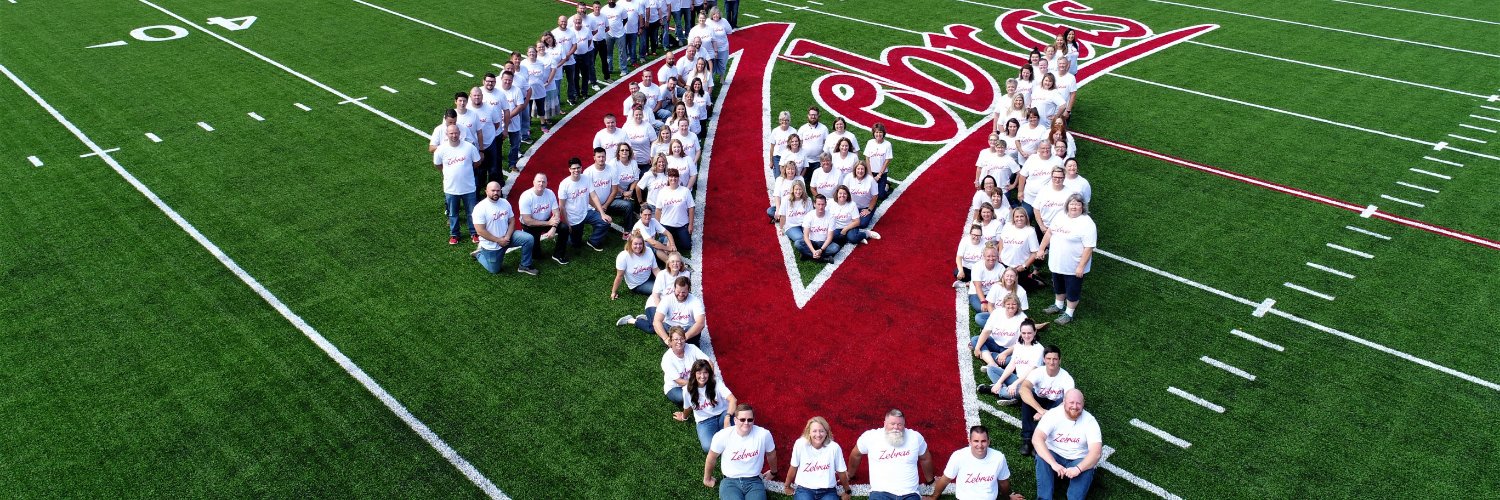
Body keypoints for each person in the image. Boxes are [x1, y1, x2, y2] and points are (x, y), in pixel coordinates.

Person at [1031, 390, 1102, 500]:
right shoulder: (1053, 414)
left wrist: (1078, 469)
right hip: (1054, 454)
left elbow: (1096, 453)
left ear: (1083, 404)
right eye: (1071, 402)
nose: (1075, 406)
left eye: (1078, 403)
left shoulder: (1090, 421)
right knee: (1042, 457)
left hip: (1077, 459)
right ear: (1064, 401)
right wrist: (1053, 463)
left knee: (1088, 466)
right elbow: (1037, 439)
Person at [848, 409, 932, 500]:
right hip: (880, 493)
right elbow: (855, 454)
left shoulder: (915, 437)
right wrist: (850, 475)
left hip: (910, 493)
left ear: (904, 425)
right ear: (885, 424)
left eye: (899, 424)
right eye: (892, 424)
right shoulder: (870, 437)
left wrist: (931, 480)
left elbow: (925, 458)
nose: (896, 427)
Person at [1037, 194, 1094, 325]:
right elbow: (1049, 232)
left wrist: (1081, 266)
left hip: (1074, 266)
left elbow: (1089, 247)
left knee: (1073, 289)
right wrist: (1041, 249)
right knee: (1058, 285)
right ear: (1067, 205)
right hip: (1057, 262)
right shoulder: (1060, 216)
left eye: (1077, 204)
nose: (1074, 206)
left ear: (1082, 207)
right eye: (1072, 203)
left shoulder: (1087, 223)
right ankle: (1058, 305)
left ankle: (1069, 313)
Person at [926, 426, 1023, 500]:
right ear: (970, 442)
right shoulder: (958, 456)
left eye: (983, 441)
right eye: (976, 441)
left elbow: (1003, 482)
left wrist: (1008, 497)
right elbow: (945, 479)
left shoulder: (998, 458)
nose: (980, 445)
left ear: (989, 442)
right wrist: (934, 497)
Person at [705, 404, 778, 499]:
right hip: (730, 481)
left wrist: (773, 472)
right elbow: (711, 458)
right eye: (742, 419)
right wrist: (707, 478)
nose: (746, 423)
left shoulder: (764, 435)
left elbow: (771, 454)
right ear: (735, 420)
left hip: (754, 481)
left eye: (750, 420)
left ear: (753, 420)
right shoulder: (722, 436)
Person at [471, 182, 540, 275]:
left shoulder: (505, 202)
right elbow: (480, 231)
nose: (496, 193)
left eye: (498, 190)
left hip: (508, 237)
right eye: (493, 190)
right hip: (492, 244)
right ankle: (479, 254)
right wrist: (498, 240)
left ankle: (525, 265)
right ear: (486, 191)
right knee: (494, 270)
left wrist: (507, 236)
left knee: (528, 239)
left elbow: (512, 220)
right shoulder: (480, 208)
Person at [1017, 345, 1074, 457]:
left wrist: (1048, 414)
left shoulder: (1066, 378)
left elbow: (1069, 401)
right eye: (1048, 359)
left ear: (1060, 360)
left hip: (1055, 404)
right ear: (1044, 359)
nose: (1051, 362)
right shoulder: (1038, 372)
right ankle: (1027, 439)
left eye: (1055, 359)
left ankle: (1043, 442)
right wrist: (1040, 410)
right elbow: (1023, 389)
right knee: (1026, 397)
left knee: (1065, 404)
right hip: (1040, 401)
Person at [558, 157, 614, 262]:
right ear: (569, 169)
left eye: (578, 168)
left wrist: (602, 213)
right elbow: (562, 207)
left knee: (605, 222)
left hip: (587, 212)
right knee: (575, 244)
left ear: (581, 168)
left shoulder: (586, 178)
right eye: (573, 168)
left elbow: (594, 196)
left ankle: (593, 241)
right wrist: (567, 224)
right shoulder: (564, 185)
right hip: (574, 217)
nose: (576, 170)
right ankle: (565, 235)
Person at [433, 124, 482, 245]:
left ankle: (474, 233)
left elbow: (477, 162)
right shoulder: (441, 149)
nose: (454, 135)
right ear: (447, 134)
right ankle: (454, 234)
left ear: (460, 133)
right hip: (451, 188)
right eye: (451, 133)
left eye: (456, 133)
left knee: (471, 213)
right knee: (453, 213)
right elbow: (437, 164)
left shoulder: (469, 147)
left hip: (469, 187)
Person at [783, 416, 852, 500]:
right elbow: (794, 466)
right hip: (804, 489)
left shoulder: (834, 447)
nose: (818, 435)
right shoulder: (800, 444)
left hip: (828, 490)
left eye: (821, 431)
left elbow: (841, 471)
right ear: (809, 432)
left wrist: (847, 491)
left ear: (826, 432)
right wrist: (787, 486)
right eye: (814, 431)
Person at [674, 359, 736, 452]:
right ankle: (724, 434)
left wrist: (727, 417)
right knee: (708, 447)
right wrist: (684, 417)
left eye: (705, 373)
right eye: (699, 373)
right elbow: (688, 407)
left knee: (738, 436)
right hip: (705, 421)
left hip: (723, 414)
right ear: (694, 374)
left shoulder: (716, 382)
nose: (702, 376)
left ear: (709, 373)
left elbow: (733, 400)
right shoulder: (687, 390)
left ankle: (725, 433)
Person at [977, 319, 1043, 404]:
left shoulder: (1039, 350)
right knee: (990, 369)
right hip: (1017, 378)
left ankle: (997, 391)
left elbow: (1030, 372)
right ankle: (1005, 391)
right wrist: (999, 382)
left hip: (1030, 386)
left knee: (1017, 391)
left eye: (1029, 333)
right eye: (1023, 333)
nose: (1026, 336)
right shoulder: (1019, 344)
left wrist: (1014, 384)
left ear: (1035, 332)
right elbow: (1011, 365)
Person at [638, 276, 706, 345]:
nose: (680, 294)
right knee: (659, 327)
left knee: (691, 345)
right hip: (670, 329)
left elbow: (700, 323)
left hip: (687, 331)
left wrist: (685, 337)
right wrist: (666, 339)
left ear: (689, 290)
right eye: (678, 292)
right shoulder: (667, 300)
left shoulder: (696, 301)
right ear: (674, 289)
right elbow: (657, 321)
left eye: (684, 292)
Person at [972, 294, 1026, 379]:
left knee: (1012, 362)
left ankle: (987, 355)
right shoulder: (997, 313)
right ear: (1004, 305)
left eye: (1014, 304)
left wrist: (1005, 353)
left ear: (1018, 305)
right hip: (995, 342)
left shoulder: (1022, 318)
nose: (1011, 306)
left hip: (1010, 349)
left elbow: (1022, 343)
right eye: (1008, 304)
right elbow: (986, 331)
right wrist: (977, 348)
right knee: (975, 340)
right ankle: (992, 364)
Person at [649, 168, 696, 255]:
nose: (673, 179)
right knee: (663, 245)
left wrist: (690, 224)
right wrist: (657, 226)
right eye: (671, 176)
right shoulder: (662, 192)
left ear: (678, 178)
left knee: (687, 246)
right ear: (668, 178)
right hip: (666, 224)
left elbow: (691, 208)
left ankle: (675, 237)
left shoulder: (685, 191)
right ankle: (671, 238)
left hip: (681, 225)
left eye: (675, 176)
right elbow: (658, 210)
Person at [660, 326, 710, 405]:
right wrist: (699, 384)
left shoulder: (692, 348)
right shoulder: (667, 359)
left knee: (714, 386)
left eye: (682, 338)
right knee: (684, 397)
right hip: (676, 387)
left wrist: (710, 377)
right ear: (670, 341)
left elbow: (709, 362)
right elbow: (679, 381)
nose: (679, 342)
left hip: (695, 381)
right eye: (676, 339)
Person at [1016, 137, 1060, 225]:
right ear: (1038, 149)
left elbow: (1061, 177)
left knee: (1044, 222)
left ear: (1051, 148)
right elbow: (1022, 176)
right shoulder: (1032, 159)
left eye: (1048, 148)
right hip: (1029, 198)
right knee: (1025, 218)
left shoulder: (1057, 161)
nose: (1045, 150)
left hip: (1048, 200)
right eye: (1043, 148)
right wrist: (1020, 191)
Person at [498, 72, 529, 171]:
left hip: (514, 123)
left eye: (510, 80)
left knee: (515, 145)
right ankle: (497, 163)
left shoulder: (517, 90)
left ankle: (512, 164)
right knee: (498, 144)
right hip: (498, 123)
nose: (507, 82)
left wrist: (508, 117)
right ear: (501, 79)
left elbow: (520, 106)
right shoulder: (497, 90)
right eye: (505, 80)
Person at [612, 234, 660, 298]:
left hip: (649, 275)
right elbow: (619, 276)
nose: (638, 246)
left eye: (640, 244)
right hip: (638, 284)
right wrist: (613, 292)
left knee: (667, 284)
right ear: (630, 244)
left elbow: (655, 269)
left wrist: (662, 280)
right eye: (635, 244)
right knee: (660, 291)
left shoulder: (648, 251)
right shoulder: (623, 257)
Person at [797, 194, 840, 263]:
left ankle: (807, 255)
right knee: (798, 243)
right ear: (814, 204)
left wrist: (821, 250)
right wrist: (813, 251)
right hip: (812, 241)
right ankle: (824, 259)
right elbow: (806, 236)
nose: (821, 207)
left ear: (826, 204)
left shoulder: (831, 217)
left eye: (823, 204)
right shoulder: (809, 216)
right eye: (818, 204)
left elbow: (830, 237)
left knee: (835, 248)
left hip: (824, 242)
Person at [1032, 167, 1073, 234]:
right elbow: (1036, 209)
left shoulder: (1070, 194)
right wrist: (1042, 226)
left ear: (1064, 178)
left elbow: (1072, 212)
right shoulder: (1043, 191)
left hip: (1061, 229)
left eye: (1060, 178)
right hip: (1043, 227)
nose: (1057, 180)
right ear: (1051, 177)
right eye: (1055, 177)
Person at [968, 245, 1003, 314]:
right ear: (984, 257)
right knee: (982, 309)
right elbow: (978, 287)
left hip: (992, 293)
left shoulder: (1001, 267)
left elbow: (1004, 284)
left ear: (997, 256)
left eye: (994, 256)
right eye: (988, 256)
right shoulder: (977, 266)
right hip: (976, 293)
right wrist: (983, 302)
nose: (991, 258)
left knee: (1000, 307)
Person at [863, 123, 893, 199]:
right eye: (876, 132)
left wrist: (879, 175)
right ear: (873, 133)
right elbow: (867, 158)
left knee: (880, 196)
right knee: (867, 193)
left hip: (882, 173)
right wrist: (870, 174)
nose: (878, 134)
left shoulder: (887, 144)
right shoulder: (870, 142)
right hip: (871, 172)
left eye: (880, 132)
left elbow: (887, 160)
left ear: (883, 133)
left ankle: (887, 186)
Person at [778, 180, 813, 245]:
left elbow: (810, 216)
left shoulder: (808, 200)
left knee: (813, 236)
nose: (798, 192)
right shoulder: (786, 200)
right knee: (800, 238)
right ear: (792, 190)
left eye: (800, 189)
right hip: (792, 226)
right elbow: (783, 216)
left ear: (803, 190)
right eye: (796, 189)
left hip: (805, 225)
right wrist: (781, 229)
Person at [798, 107, 829, 174]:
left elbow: (826, 144)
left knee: (818, 179)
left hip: (818, 161)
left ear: (818, 116)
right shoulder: (802, 128)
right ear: (808, 115)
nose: (813, 117)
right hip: (805, 161)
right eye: (811, 115)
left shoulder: (824, 128)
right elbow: (799, 145)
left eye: (815, 115)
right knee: (804, 179)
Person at [707, 7, 732, 79]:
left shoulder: (724, 21)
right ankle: (712, 80)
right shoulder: (708, 22)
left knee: (723, 64)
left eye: (717, 14)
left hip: (724, 47)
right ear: (711, 15)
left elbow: (729, 31)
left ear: (720, 14)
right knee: (712, 65)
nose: (716, 15)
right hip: (712, 49)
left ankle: (722, 78)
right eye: (714, 14)